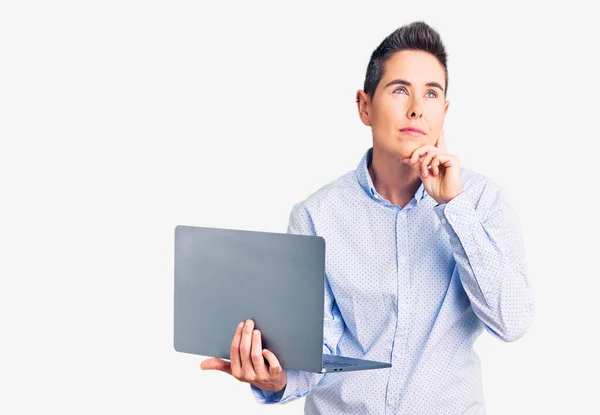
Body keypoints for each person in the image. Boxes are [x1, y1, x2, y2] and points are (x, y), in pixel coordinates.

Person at [200, 21, 534, 414]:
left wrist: (452, 208)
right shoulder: (317, 216)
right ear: (364, 106)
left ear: (444, 113)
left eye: (431, 94)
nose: (416, 108)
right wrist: (278, 379)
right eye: (399, 90)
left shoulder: (480, 201)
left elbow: (511, 321)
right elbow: (317, 347)